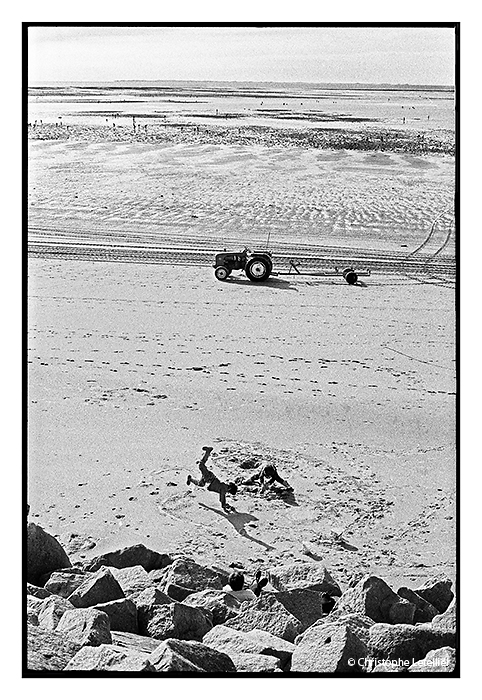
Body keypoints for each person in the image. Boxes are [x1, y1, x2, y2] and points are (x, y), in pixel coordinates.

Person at [187, 446, 237, 511]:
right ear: (230, 489)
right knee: (201, 465)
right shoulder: (224, 489)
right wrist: (224, 507)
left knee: (201, 484)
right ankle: (208, 451)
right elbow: (222, 498)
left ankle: (190, 479)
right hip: (209, 478)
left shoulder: (225, 487)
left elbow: (222, 497)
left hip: (210, 478)